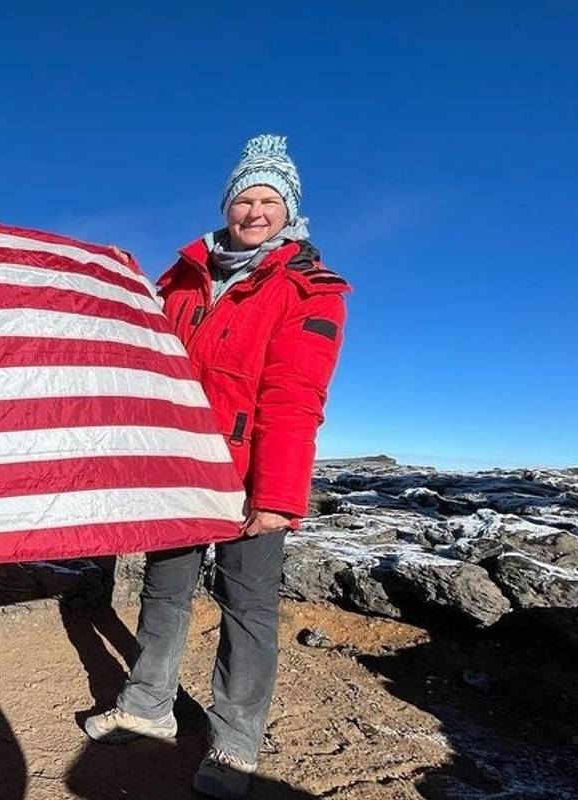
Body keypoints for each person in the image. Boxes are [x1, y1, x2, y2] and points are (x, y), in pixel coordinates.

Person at [82, 134, 349, 799]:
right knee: (164, 591)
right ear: (227, 204)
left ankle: (234, 744)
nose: (254, 210)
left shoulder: (310, 290)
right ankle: (147, 707)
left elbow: (294, 400)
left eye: (268, 200)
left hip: (253, 477)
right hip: (180, 468)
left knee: (248, 608)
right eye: (244, 198)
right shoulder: (178, 278)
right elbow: (140, 351)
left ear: (288, 210)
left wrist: (280, 495)